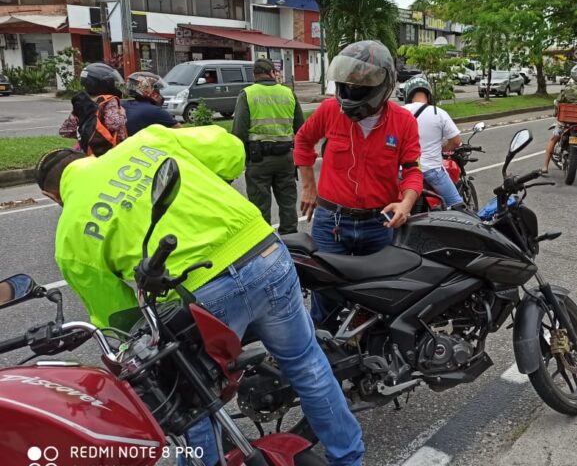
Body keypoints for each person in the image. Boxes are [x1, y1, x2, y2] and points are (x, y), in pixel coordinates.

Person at [35, 126, 364, 466]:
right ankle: (349, 458)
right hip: (265, 253)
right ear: (87, 157)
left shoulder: (71, 234)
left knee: (193, 401)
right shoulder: (147, 141)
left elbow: (119, 319)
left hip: (201, 296)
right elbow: (231, 151)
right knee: (306, 363)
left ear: (53, 197)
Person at [294, 40, 422, 323]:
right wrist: (308, 187)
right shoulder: (329, 111)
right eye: (350, 80)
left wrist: (406, 203)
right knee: (325, 299)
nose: (354, 86)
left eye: (364, 81)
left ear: (383, 85)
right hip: (332, 222)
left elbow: (412, 170)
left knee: (379, 298)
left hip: (380, 223)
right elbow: (303, 141)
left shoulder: (403, 121)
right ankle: (324, 357)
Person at [232, 59, 304, 235]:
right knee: (287, 203)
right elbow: (301, 128)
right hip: (286, 158)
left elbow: (238, 132)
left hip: (258, 160)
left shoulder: (247, 94)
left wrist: (242, 159)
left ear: (255, 75)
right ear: (272, 72)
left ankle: (265, 245)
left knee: (260, 205)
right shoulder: (288, 93)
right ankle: (291, 241)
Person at [402, 75, 463, 207]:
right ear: (428, 95)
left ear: (408, 94)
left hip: (403, 172)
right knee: (457, 205)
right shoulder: (438, 113)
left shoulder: (400, 112)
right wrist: (442, 149)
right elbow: (456, 141)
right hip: (432, 171)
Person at [541, 62, 577, 178]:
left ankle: (544, 167)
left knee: (553, 139)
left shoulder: (567, 90)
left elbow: (558, 103)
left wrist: (556, 114)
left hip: (566, 123)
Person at [58, 62, 128, 155]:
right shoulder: (109, 100)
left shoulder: (81, 101)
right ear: (104, 83)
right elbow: (113, 124)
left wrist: (88, 135)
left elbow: (66, 130)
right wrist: (122, 114)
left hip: (85, 149)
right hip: (108, 150)